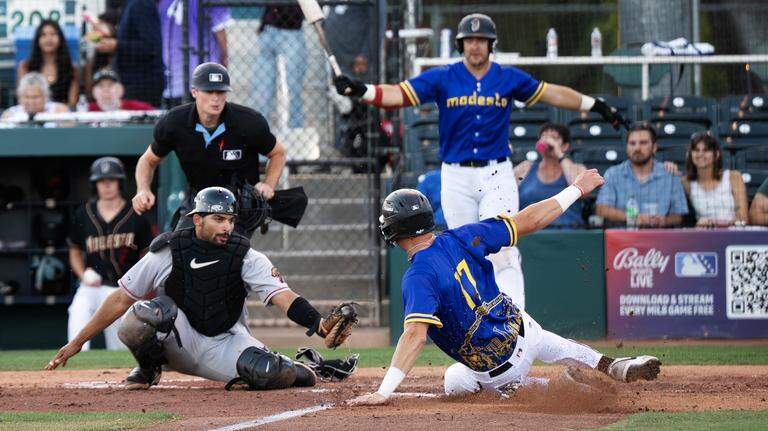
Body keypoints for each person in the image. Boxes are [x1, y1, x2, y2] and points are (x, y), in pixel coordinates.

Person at [332, 13, 628, 308]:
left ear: (491, 44)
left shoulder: (507, 77)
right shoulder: (443, 76)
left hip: (496, 173)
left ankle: (515, 320)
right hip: (456, 176)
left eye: (482, 40)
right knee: (465, 252)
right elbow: (399, 94)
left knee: (503, 246)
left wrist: (595, 104)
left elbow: (551, 93)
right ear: (461, 45)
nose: (475, 45)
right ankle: (480, 325)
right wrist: (363, 90)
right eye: (469, 40)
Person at [348, 172, 661, 406]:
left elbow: (415, 336)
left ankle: (562, 387)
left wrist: (383, 392)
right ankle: (609, 364)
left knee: (464, 381)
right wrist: (576, 189)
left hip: (501, 371)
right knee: (459, 375)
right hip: (526, 329)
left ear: (394, 230)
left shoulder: (417, 276)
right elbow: (529, 220)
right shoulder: (463, 236)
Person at [47, 187, 354, 391]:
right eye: (218, 219)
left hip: (224, 341)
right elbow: (120, 299)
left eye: (230, 220)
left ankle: (307, 367)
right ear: (197, 219)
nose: (227, 227)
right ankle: (149, 369)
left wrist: (318, 324)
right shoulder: (168, 250)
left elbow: (284, 297)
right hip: (177, 340)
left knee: (266, 372)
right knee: (140, 316)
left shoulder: (245, 255)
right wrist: (77, 342)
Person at [132, 62, 286, 238]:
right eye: (209, 91)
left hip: (239, 204)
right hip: (199, 198)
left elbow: (278, 153)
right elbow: (148, 160)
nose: (216, 98)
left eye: (220, 92)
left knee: (227, 249)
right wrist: (143, 189)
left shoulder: (249, 122)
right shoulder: (174, 123)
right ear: (194, 92)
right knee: (180, 245)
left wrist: (268, 185)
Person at [67, 157, 154, 351]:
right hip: (92, 286)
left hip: (124, 289)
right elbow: (74, 250)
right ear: (95, 184)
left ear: (119, 182)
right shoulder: (83, 213)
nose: (106, 185)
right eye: (101, 181)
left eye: (111, 180)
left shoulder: (136, 214)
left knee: (121, 348)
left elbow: (148, 254)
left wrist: (142, 287)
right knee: (77, 313)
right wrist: (82, 275)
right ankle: (74, 362)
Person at [596, 123, 688, 227]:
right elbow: (602, 209)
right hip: (623, 235)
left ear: (654, 147)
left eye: (643, 143)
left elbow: (679, 215)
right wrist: (633, 218)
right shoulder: (613, 174)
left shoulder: (670, 174)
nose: (637, 148)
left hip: (660, 234)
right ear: (627, 147)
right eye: (632, 143)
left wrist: (664, 220)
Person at [159, 0, 232, 105]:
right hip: (206, 75)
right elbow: (219, 29)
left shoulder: (164, 2)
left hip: (173, 78)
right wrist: (225, 55)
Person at [514, 123, 587, 228]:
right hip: (529, 232)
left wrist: (559, 153)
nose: (547, 140)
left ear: (565, 146)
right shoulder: (525, 168)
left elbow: (582, 192)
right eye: (544, 137)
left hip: (568, 231)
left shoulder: (577, 169)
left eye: (554, 138)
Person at [96, 0, 165, 107]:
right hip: (133, 85)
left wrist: (116, 45)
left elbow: (151, 47)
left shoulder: (141, 4)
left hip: (142, 86)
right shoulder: (129, 5)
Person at [253, 5, 306, 129]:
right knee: (267, 86)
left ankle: (293, 128)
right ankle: (261, 127)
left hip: (284, 29)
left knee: (290, 86)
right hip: (279, 30)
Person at [681, 133, 748, 227]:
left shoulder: (733, 177)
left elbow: (743, 218)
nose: (700, 154)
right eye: (696, 150)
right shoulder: (686, 183)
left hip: (733, 232)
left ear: (716, 155)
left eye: (706, 150)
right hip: (702, 233)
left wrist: (717, 223)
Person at [18, 20, 79, 108]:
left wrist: (54, 111)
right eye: (43, 35)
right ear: (37, 39)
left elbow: (72, 103)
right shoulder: (25, 66)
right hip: (33, 114)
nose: (48, 39)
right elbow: (22, 97)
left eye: (53, 34)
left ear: (60, 38)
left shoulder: (71, 68)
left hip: (62, 114)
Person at [1, 72, 69, 121]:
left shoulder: (60, 111)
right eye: (26, 97)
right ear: (19, 97)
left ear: (46, 96)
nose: (31, 101)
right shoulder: (9, 115)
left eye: (35, 97)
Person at [88, 70, 155, 112]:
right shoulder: (86, 110)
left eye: (110, 85)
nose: (106, 89)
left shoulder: (141, 109)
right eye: (100, 86)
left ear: (120, 90)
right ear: (93, 92)